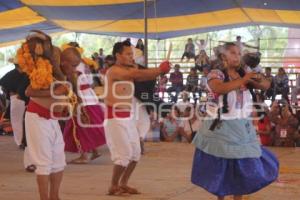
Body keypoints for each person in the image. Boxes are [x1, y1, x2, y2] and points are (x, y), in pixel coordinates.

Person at [191, 42, 278, 200]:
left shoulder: (243, 72)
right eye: (233, 53)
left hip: (242, 127)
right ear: (223, 56)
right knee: (222, 167)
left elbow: (266, 85)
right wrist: (246, 78)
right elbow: (219, 89)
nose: (237, 56)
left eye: (239, 53)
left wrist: (255, 76)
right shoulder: (216, 73)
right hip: (222, 126)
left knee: (243, 165)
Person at [104, 40, 170, 196]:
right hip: (114, 117)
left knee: (135, 153)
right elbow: (137, 74)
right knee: (124, 154)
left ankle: (123, 183)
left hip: (127, 117)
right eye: (127, 54)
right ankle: (113, 186)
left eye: (132, 54)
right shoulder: (114, 71)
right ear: (117, 55)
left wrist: (159, 71)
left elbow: (141, 75)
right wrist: (159, 69)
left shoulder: (130, 69)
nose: (130, 57)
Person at [21, 31, 67, 200]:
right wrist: (56, 91)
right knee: (44, 163)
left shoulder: (54, 70)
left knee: (58, 162)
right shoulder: (37, 67)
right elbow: (28, 91)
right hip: (38, 118)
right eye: (54, 52)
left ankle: (54, 197)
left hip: (52, 120)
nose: (57, 55)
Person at [60, 47, 106, 164]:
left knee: (79, 127)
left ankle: (84, 155)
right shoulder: (86, 64)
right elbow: (91, 82)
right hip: (89, 96)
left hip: (81, 99)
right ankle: (94, 151)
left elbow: (74, 85)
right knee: (87, 125)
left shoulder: (74, 67)